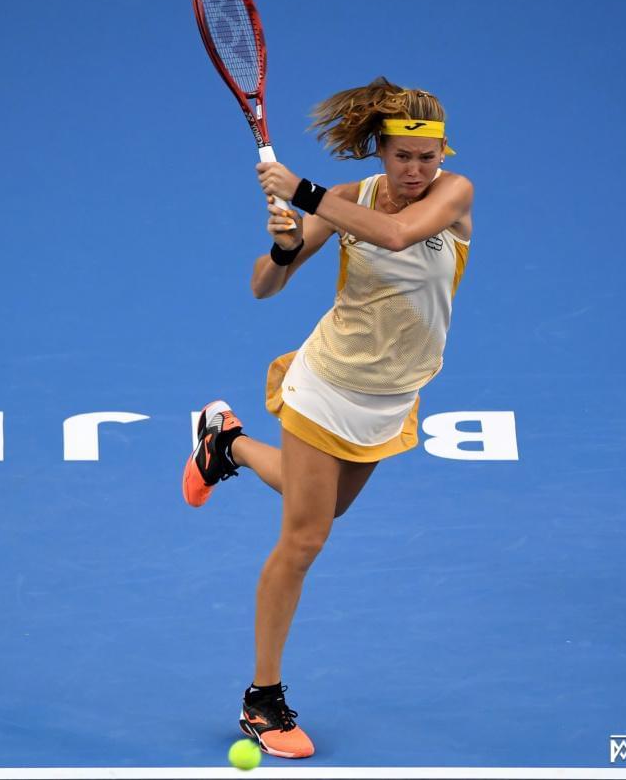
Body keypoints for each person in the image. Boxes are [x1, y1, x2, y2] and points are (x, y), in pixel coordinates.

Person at [182, 76, 474, 759]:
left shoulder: (454, 195)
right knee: (306, 538)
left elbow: (398, 237)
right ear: (380, 152)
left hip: (392, 395)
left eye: (427, 158)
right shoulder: (347, 200)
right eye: (402, 157)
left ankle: (225, 443)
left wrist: (302, 192)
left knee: (326, 505)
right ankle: (262, 699)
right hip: (327, 383)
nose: (416, 171)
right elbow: (264, 286)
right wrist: (286, 245)